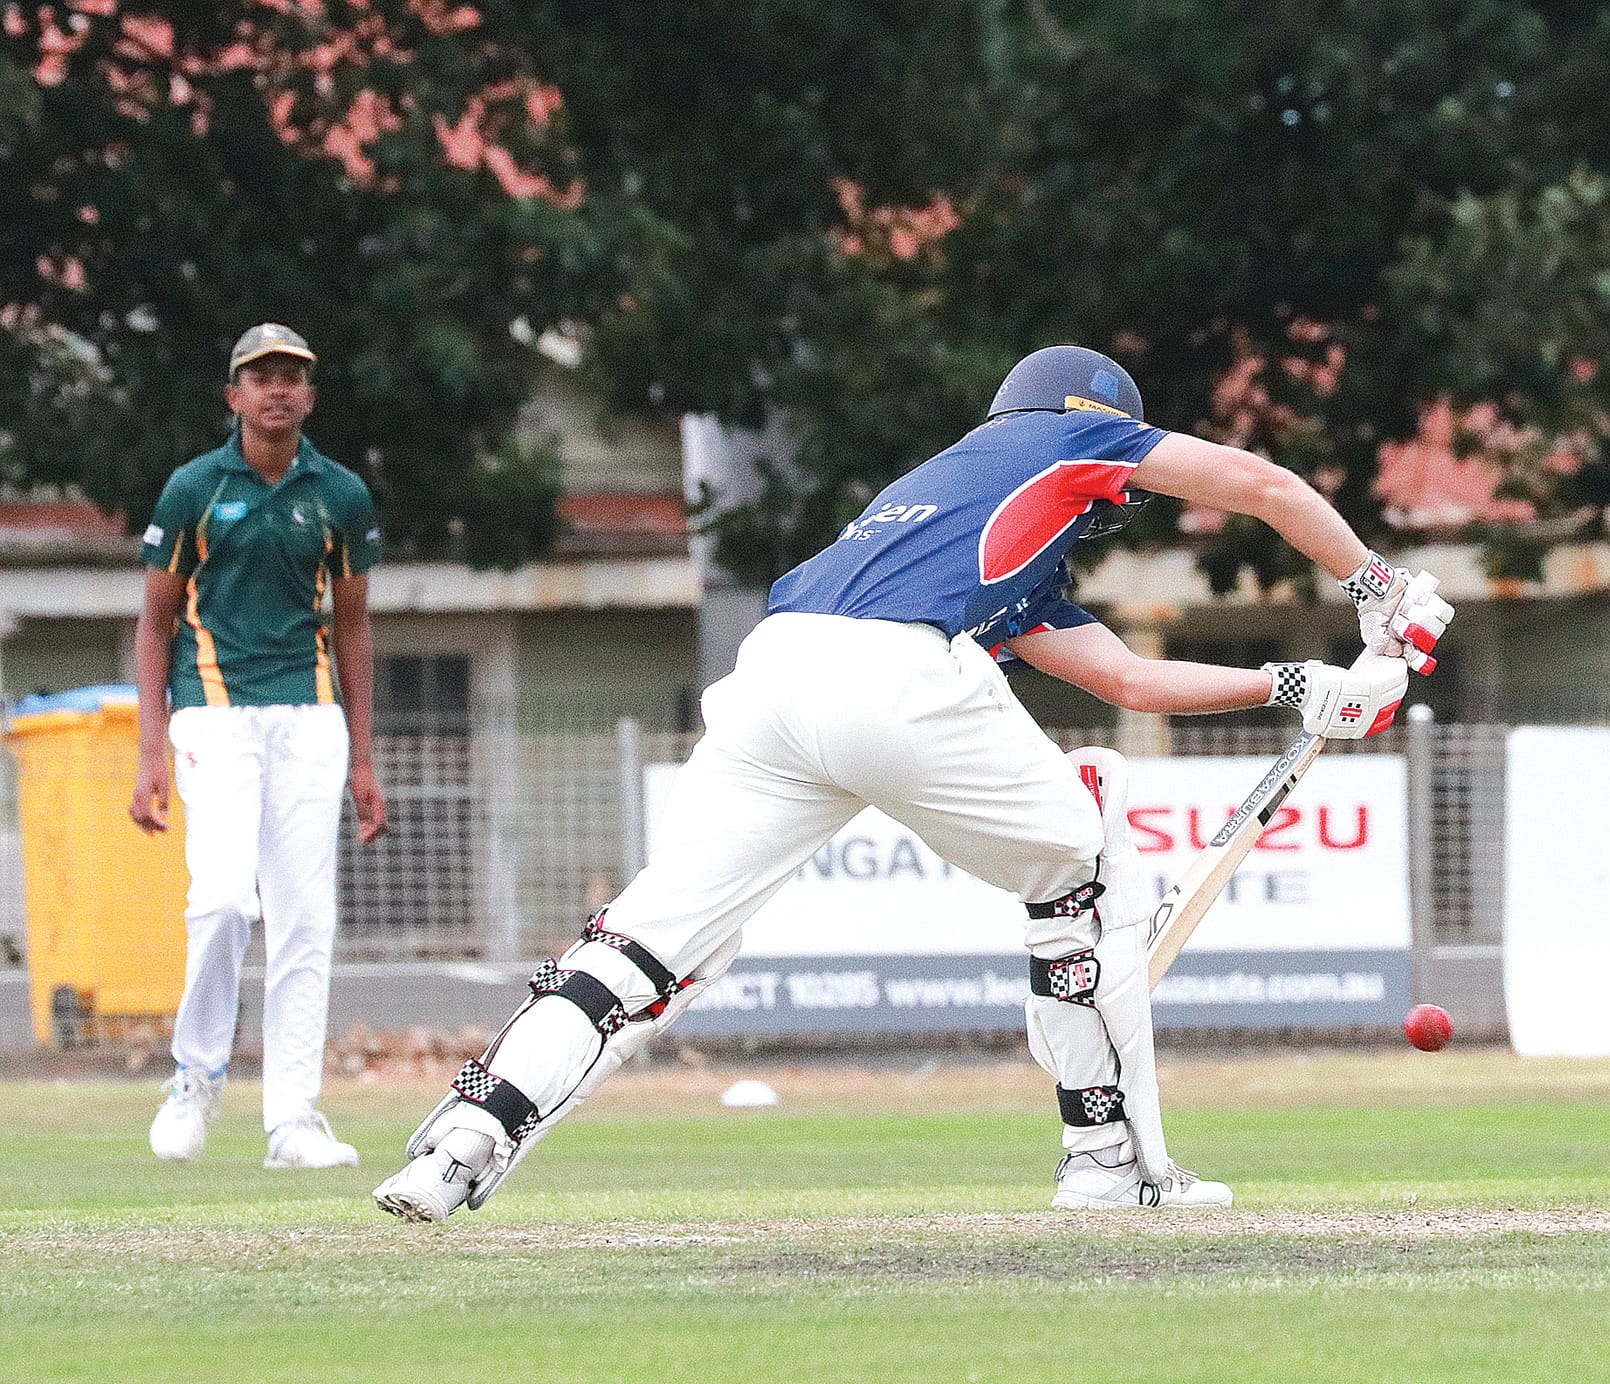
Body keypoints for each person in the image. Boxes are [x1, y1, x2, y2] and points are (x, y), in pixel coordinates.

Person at [372, 345, 1453, 1221]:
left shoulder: (947, 510)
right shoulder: (1069, 433)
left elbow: (1123, 674)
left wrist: (1293, 684)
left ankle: (467, 1138)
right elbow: (1261, 485)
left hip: (775, 671)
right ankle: (1106, 1165)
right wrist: (1377, 587)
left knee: (648, 943)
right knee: (1083, 869)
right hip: (890, 672)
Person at [130, 322, 389, 1169]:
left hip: (309, 714)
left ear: (310, 395)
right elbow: (154, 623)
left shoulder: (341, 493)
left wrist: (363, 759)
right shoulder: (193, 490)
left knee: (306, 917)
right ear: (234, 395)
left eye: (293, 377)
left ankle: (293, 1121)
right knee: (222, 903)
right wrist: (149, 757)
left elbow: (353, 629)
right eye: (261, 376)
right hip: (211, 710)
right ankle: (194, 1079)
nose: (278, 390)